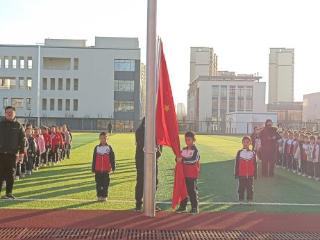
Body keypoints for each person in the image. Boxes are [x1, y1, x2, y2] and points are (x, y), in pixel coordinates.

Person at [134, 118, 162, 211]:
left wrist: (158, 153)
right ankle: (139, 203)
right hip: (141, 159)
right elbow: (142, 144)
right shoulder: (139, 131)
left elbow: (159, 144)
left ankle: (152, 202)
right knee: (141, 181)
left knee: (154, 181)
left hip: (153, 159)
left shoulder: (156, 131)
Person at [0, 106, 25, 199]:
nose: (9, 114)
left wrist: (22, 153)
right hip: (1, 154)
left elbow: (22, 141)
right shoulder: (0, 124)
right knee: (0, 174)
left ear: (14, 113)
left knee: (11, 175)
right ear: (5, 113)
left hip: (12, 154)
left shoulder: (19, 126)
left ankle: (8, 193)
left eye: (11, 112)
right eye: (7, 112)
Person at [176, 131, 200, 214]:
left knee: (191, 191)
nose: (187, 141)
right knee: (183, 190)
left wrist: (182, 159)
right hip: (184, 174)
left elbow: (192, 160)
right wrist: (177, 158)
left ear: (193, 140)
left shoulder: (196, 151)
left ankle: (194, 207)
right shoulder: (184, 149)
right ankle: (183, 206)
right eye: (186, 140)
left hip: (192, 174)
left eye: (189, 140)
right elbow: (179, 158)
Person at [92, 132, 115, 201]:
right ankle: (99, 196)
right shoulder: (97, 148)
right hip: (98, 170)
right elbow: (94, 159)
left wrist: (113, 167)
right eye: (101, 138)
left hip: (106, 170)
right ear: (99, 139)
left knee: (105, 184)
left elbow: (112, 158)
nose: (103, 140)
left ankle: (104, 196)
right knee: (98, 184)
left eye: (104, 138)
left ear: (107, 138)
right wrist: (93, 168)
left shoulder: (109, 148)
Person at [234, 136, 257, 204]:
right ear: (242, 143)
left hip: (250, 174)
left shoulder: (253, 153)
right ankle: (241, 199)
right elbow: (237, 164)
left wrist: (255, 174)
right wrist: (236, 173)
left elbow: (255, 164)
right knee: (241, 188)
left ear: (250, 143)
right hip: (242, 174)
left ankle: (250, 199)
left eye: (247, 142)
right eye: (244, 142)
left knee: (250, 188)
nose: (245, 143)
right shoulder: (239, 152)